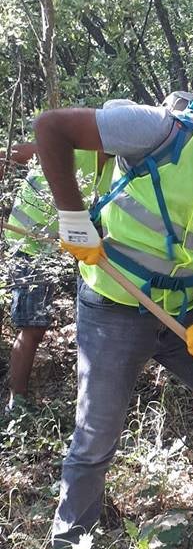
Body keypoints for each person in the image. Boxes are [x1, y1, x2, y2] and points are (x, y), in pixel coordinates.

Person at [34, 74, 193, 549]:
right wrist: (72, 217)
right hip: (114, 307)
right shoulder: (156, 131)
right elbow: (50, 128)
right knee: (96, 436)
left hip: (189, 320)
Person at [2, 143, 112, 412]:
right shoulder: (70, 145)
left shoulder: (116, 167)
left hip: (61, 247)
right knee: (33, 327)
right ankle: (17, 402)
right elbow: (9, 154)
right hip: (27, 244)